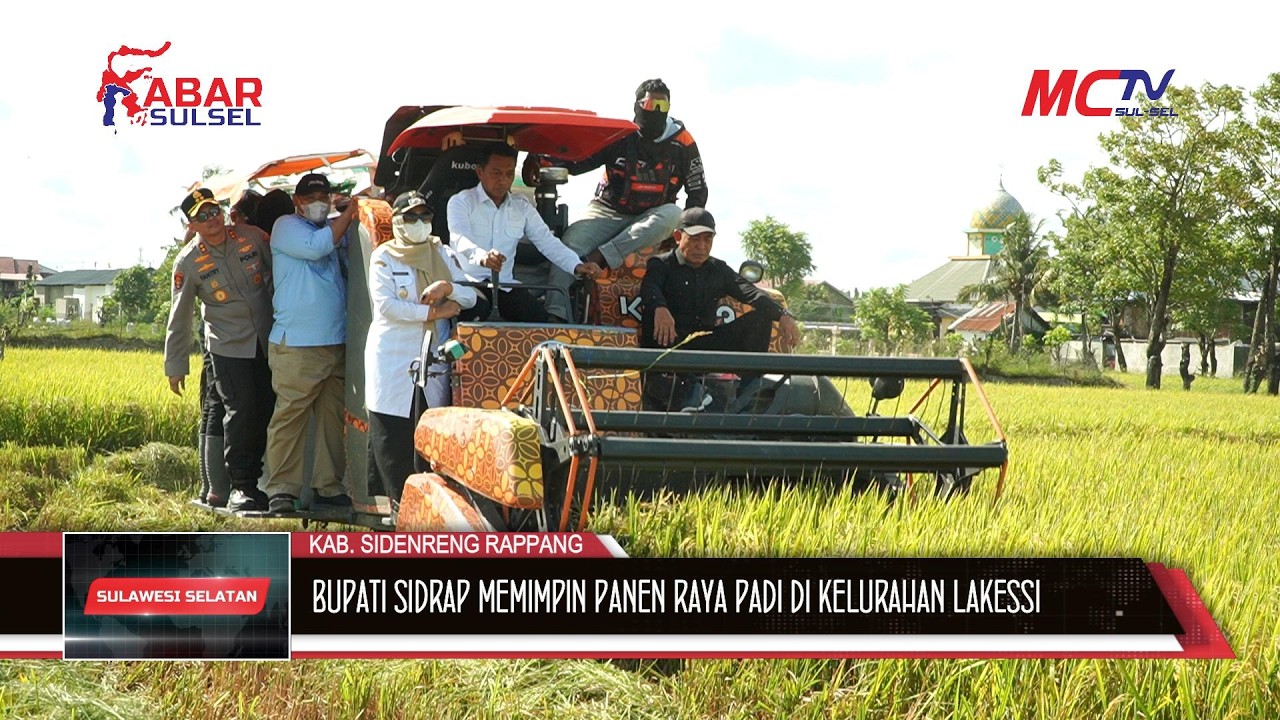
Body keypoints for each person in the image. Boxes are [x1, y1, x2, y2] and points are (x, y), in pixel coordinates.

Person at [532, 78, 707, 323]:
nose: (655, 111)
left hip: (653, 216)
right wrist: (542, 159)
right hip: (607, 211)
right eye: (650, 104)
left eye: (662, 106)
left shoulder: (683, 141)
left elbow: (697, 189)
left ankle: (602, 256)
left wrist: (689, 232)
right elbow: (580, 160)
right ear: (637, 105)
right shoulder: (621, 135)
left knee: (673, 214)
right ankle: (556, 314)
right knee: (569, 244)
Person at [365, 191, 484, 505]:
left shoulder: (441, 252)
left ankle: (431, 507)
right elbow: (387, 306)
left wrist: (448, 288)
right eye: (411, 217)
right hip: (395, 353)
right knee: (394, 430)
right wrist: (434, 312)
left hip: (435, 357)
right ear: (398, 221)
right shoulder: (385, 256)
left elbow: (470, 297)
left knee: (432, 428)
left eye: (425, 217)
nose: (419, 223)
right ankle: (397, 506)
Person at [164, 188, 275, 512]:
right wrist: (175, 364)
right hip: (227, 345)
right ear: (192, 224)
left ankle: (258, 483)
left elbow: (280, 274)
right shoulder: (188, 261)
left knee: (266, 406)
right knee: (241, 411)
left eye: (214, 211)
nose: (211, 220)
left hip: (266, 338)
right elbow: (179, 316)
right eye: (202, 216)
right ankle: (241, 486)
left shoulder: (252, 237)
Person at [263, 173, 358, 514]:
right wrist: (348, 215)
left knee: (332, 419)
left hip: (335, 340)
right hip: (298, 344)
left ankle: (327, 486)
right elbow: (319, 248)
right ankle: (281, 490)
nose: (318, 201)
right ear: (297, 202)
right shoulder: (286, 226)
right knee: (290, 417)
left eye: (324, 195)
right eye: (311, 196)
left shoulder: (329, 229)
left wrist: (348, 215)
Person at [640, 208, 800, 408]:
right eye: (695, 239)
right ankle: (690, 394)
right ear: (678, 236)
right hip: (669, 345)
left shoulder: (718, 269)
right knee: (658, 329)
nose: (702, 246)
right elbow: (649, 288)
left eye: (707, 240)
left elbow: (750, 292)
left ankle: (749, 396)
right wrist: (659, 307)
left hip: (704, 344)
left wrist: (783, 315)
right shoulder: (661, 264)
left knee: (760, 318)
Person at [448, 144, 600, 322]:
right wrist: (482, 257)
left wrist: (577, 265)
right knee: (472, 319)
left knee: (539, 321)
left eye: (509, 174)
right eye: (496, 173)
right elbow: (459, 238)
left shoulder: (522, 206)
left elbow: (547, 242)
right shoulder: (460, 202)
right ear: (480, 172)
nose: (503, 180)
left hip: (505, 286)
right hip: (468, 284)